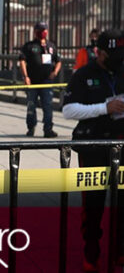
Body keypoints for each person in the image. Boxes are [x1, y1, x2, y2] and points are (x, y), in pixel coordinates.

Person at [63, 29, 124, 272]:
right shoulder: (84, 75)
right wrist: (104, 108)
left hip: (121, 146)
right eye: (114, 53)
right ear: (99, 52)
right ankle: (91, 253)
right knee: (93, 204)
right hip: (93, 147)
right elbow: (69, 110)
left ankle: (120, 252)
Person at [18, 21, 62, 137]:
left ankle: (48, 129)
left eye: (44, 30)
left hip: (46, 81)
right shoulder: (29, 46)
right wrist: (26, 77)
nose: (42, 33)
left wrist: (55, 72)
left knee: (47, 105)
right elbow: (22, 61)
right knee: (31, 105)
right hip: (32, 81)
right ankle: (31, 127)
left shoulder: (51, 46)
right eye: (40, 30)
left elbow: (58, 61)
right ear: (35, 32)